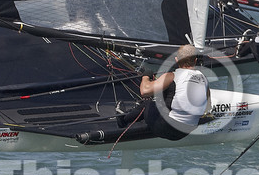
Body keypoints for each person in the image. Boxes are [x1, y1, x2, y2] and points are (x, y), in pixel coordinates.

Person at [78, 44, 210, 144]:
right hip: (185, 132)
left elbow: (144, 91)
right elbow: (206, 102)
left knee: (148, 101)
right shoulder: (203, 78)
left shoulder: (171, 76)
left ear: (176, 59)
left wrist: (145, 76)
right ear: (195, 60)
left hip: (165, 129)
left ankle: (122, 120)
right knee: (169, 94)